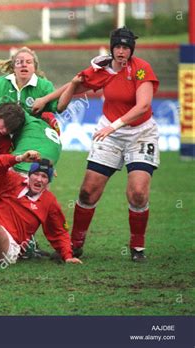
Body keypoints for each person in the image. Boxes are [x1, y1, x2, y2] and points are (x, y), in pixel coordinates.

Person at [56, 27, 159, 262]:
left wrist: (114, 126)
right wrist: (50, 97)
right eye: (118, 47)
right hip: (110, 134)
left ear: (131, 50)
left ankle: (137, 247)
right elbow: (73, 88)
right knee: (87, 192)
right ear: (111, 48)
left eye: (126, 47)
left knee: (138, 193)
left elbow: (143, 106)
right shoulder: (102, 70)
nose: (122, 51)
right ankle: (75, 243)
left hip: (140, 134)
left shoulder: (142, 69)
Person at [0, 150, 82, 265]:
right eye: (36, 174)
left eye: (44, 176)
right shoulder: (13, 181)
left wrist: (68, 256)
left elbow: (59, 232)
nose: (39, 179)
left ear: (48, 181)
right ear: (30, 175)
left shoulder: (49, 201)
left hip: (9, 246)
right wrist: (19, 158)